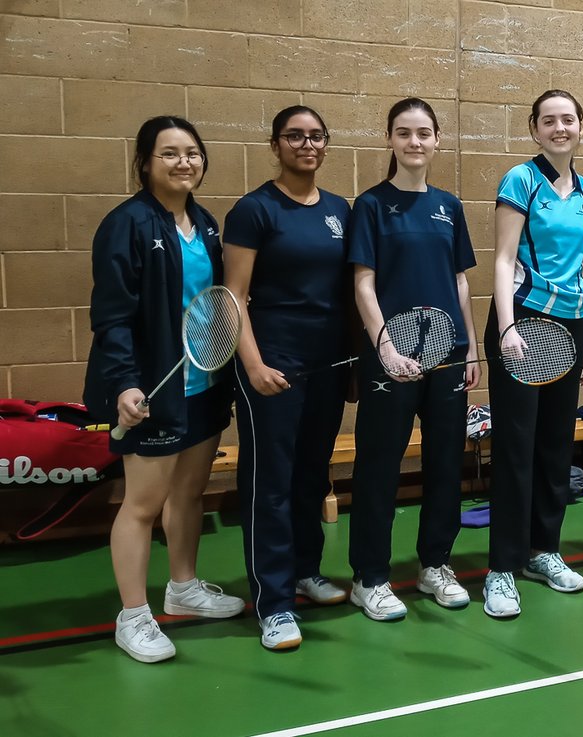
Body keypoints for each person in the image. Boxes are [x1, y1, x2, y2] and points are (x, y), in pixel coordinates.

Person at [85, 116, 244, 663]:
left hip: (202, 382)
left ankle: (182, 587)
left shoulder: (205, 224)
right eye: (170, 153)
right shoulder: (126, 224)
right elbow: (111, 317)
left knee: (189, 493)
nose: (184, 163)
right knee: (142, 504)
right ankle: (132, 615)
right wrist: (125, 382)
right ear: (145, 162)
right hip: (151, 389)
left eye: (193, 152)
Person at [223, 106, 352, 650]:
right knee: (269, 484)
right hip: (272, 365)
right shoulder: (254, 210)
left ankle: (304, 570)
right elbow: (233, 297)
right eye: (294, 137)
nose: (306, 144)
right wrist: (252, 365)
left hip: (326, 366)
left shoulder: (340, 210)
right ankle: (273, 603)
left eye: (315, 136)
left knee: (310, 474)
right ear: (275, 145)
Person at [346, 98, 480, 620]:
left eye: (424, 133)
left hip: (446, 357)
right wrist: (385, 346)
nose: (415, 142)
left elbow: (460, 281)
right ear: (390, 140)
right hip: (390, 358)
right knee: (379, 466)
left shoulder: (449, 205)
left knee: (446, 463)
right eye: (404, 133)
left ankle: (434, 565)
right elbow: (363, 282)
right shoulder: (371, 205)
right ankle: (370, 577)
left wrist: (468, 346)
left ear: (437, 140)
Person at [483, 89, 583, 618]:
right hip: (524, 324)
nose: (560, 128)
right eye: (549, 121)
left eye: (568, 120)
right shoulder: (520, 180)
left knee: (556, 444)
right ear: (534, 129)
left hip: (572, 325)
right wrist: (507, 328)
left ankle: (543, 551)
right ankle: (502, 567)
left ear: (580, 128)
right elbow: (504, 259)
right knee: (516, 445)